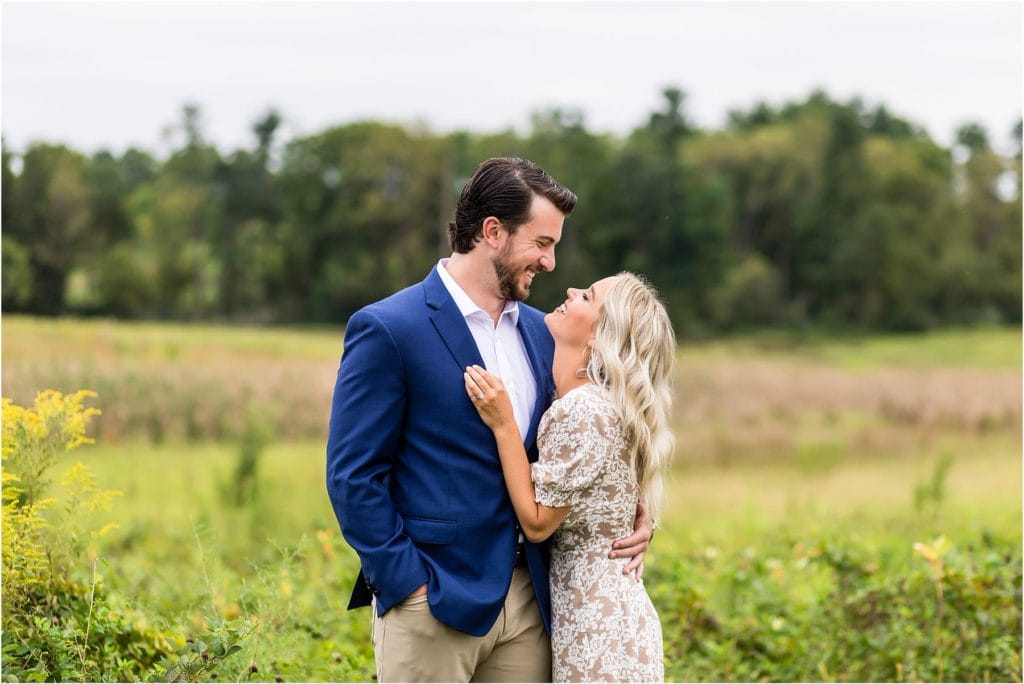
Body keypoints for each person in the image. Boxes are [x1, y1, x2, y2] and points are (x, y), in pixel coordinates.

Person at [325, 157, 654, 683]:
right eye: (541, 243)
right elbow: (352, 475)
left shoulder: (547, 334)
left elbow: (593, 441)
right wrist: (406, 583)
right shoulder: (390, 328)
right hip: (434, 603)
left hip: (533, 607)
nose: (550, 264)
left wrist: (635, 516)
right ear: (493, 232)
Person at [463, 271, 674, 682]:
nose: (571, 291)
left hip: (599, 629)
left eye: (587, 296)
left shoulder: (581, 410)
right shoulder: (599, 404)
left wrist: (504, 425)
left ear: (598, 337)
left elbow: (539, 522)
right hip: (607, 618)